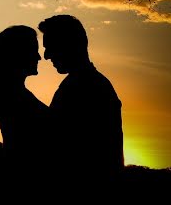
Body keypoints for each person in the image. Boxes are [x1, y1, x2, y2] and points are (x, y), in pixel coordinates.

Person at [38, 14, 124, 182]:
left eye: (51, 46)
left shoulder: (85, 87)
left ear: (70, 45)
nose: (47, 56)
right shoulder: (85, 84)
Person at [0, 25, 49, 176]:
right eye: (33, 51)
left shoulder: (14, 94)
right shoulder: (16, 98)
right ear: (18, 54)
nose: (39, 57)